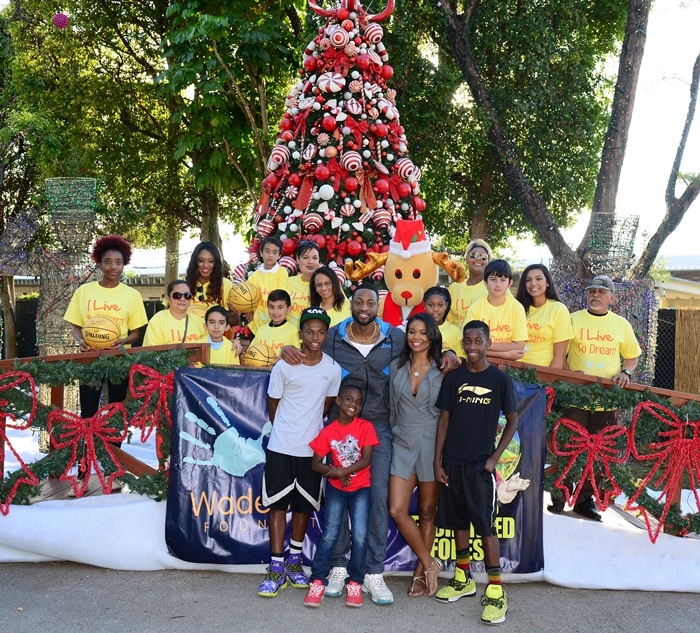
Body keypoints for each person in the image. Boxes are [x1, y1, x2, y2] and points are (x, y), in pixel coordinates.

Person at [280, 283, 460, 606]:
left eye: (370, 302)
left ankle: (373, 572)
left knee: (378, 498)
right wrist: (286, 350)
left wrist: (450, 354)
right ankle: (338, 566)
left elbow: (429, 346)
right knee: (338, 494)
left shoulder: (395, 337)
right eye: (359, 301)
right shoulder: (333, 336)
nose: (364, 306)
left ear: (379, 305)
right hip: (341, 426)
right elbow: (309, 344)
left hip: (380, 427)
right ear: (351, 305)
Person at [433, 320, 518, 625]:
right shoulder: (453, 378)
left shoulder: (499, 380)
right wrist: (437, 461)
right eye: (467, 342)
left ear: (488, 342)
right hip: (452, 462)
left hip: (480, 464)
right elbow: (443, 421)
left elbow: (512, 421)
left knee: (485, 525)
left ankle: (496, 590)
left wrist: (495, 457)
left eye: (478, 341)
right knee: (457, 521)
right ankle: (463, 577)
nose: (471, 347)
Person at [258, 307, 342, 598]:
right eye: (309, 331)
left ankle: (295, 562)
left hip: (312, 451)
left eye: (320, 332)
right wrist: (287, 430)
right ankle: (276, 566)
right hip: (281, 446)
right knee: (278, 506)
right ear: (301, 334)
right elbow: (273, 405)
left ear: (327, 335)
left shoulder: (332, 369)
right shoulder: (284, 366)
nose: (315, 337)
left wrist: (310, 434)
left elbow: (327, 405)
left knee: (304, 507)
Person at [549, 275, 641, 521]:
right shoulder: (572, 319)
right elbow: (560, 351)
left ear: (612, 297)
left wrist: (626, 372)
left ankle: (584, 500)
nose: (596, 295)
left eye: (601, 292)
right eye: (592, 291)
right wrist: (569, 374)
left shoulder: (621, 325)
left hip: (607, 401)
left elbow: (632, 356)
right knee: (570, 446)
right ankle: (559, 495)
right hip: (576, 398)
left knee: (600, 452)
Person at [304, 384, 379, 608]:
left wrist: (340, 472)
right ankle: (318, 580)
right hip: (337, 489)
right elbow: (315, 464)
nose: (353, 405)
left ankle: (355, 581)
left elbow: (365, 460)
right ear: (338, 401)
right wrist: (333, 474)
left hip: (361, 489)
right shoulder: (329, 431)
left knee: (361, 534)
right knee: (330, 534)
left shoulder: (365, 427)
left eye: (357, 402)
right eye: (348, 400)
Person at [388, 313, 443, 598]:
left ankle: (420, 576)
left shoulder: (443, 370)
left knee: (426, 512)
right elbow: (392, 410)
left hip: (433, 445)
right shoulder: (397, 369)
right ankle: (430, 563)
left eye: (423, 332)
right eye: (412, 332)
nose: (417, 337)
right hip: (403, 442)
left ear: (432, 336)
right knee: (397, 509)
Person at [64, 235, 148, 418]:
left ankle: (113, 447)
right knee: (88, 410)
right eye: (108, 262)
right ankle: (90, 446)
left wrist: (123, 341)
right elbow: (76, 327)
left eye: (118, 262)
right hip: (89, 357)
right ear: (99, 264)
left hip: (119, 358)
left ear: (124, 264)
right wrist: (81, 341)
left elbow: (136, 333)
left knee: (116, 411)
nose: (113, 266)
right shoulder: (84, 291)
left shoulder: (132, 295)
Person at [465, 259, 527, 361]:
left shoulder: (517, 308)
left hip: (510, 367)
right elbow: (470, 346)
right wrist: (505, 355)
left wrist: (483, 345)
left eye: (502, 280)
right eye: (493, 279)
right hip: (480, 364)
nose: (498, 284)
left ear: (510, 283)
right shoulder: (475, 308)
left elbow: (519, 346)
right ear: (485, 282)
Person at [515, 264, 574, 368]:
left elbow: (559, 356)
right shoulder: (518, 308)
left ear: (547, 282)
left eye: (538, 279)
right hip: (514, 371)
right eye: (528, 280)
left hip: (541, 375)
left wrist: (548, 381)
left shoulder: (558, 309)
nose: (533, 283)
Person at [143, 280, 207, 346]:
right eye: (177, 295)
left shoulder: (199, 322)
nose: (182, 299)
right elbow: (150, 352)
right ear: (168, 299)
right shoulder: (157, 320)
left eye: (187, 295)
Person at [248, 236, 289, 332]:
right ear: (261, 253)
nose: (270, 255)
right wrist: (247, 312)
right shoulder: (254, 276)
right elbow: (248, 299)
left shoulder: (282, 273)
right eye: (267, 251)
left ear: (279, 256)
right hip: (257, 325)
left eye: (274, 252)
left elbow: (282, 297)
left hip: (276, 323)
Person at [447, 239, 491, 327]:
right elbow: (449, 320)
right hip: (456, 339)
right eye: (473, 255)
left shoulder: (495, 287)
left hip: (486, 339)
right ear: (466, 258)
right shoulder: (454, 288)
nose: (478, 258)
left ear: (488, 262)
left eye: (483, 257)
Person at [185, 242, 233, 318]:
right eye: (201, 260)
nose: (206, 265)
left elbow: (233, 321)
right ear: (195, 262)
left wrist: (234, 314)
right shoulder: (182, 284)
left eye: (211, 261)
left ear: (216, 263)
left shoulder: (225, 284)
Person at [248, 289, 299, 358]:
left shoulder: (293, 331)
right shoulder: (261, 330)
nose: (275, 312)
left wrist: (281, 361)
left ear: (288, 309)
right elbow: (250, 353)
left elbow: (295, 357)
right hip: (261, 368)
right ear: (267, 307)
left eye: (280, 307)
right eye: (271, 307)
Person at [424, 286, 466, 360]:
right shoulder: (416, 328)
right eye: (430, 305)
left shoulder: (455, 331)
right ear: (424, 305)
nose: (435, 309)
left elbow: (462, 357)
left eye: (440, 305)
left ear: (446, 305)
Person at [286, 240, 322, 324]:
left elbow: (343, 307)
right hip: (288, 335)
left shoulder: (328, 284)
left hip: (316, 335)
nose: (311, 262)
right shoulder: (286, 282)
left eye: (315, 258)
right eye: (305, 257)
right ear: (297, 259)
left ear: (319, 261)